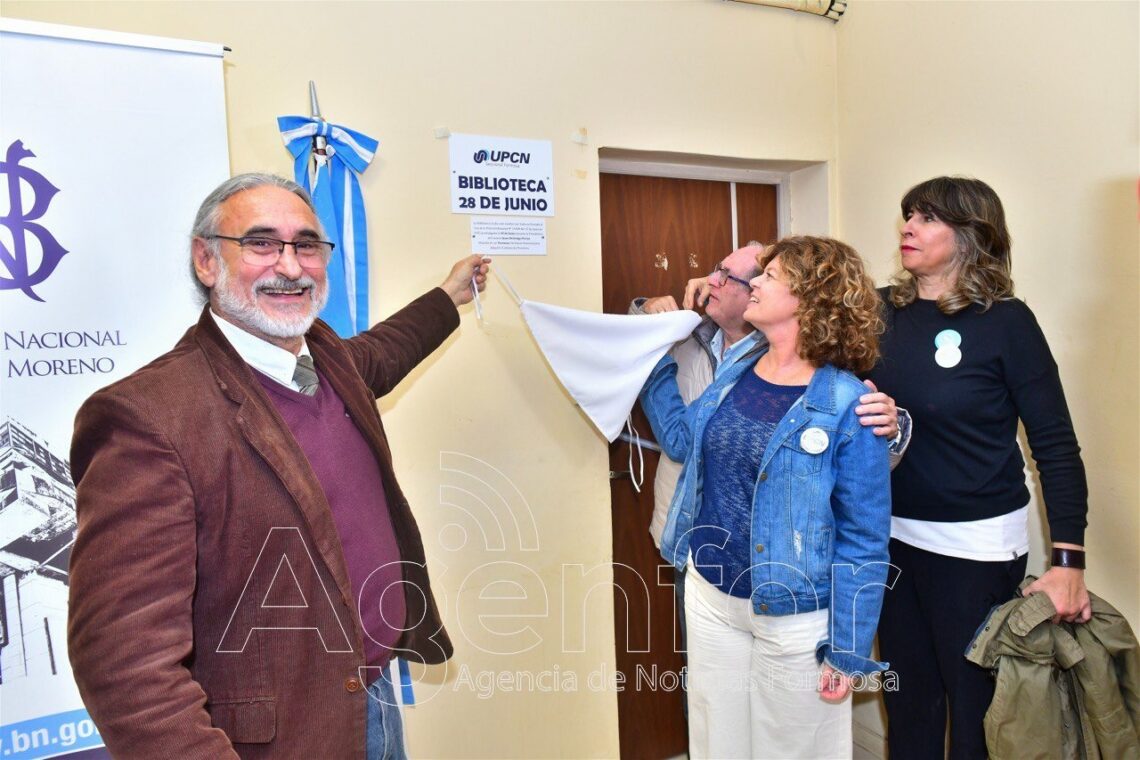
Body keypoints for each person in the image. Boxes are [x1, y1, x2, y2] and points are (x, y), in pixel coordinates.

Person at [67, 173, 488, 759]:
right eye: (261, 243)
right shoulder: (149, 417)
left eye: (306, 245)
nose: (290, 267)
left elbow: (384, 352)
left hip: (373, 693)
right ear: (206, 260)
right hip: (283, 738)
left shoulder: (327, 357)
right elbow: (125, 664)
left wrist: (448, 296)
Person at [640, 236, 893, 759]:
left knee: (792, 749)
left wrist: (848, 650)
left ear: (810, 298)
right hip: (710, 595)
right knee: (716, 742)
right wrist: (651, 341)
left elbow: (864, 537)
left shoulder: (849, 403)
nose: (754, 282)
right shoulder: (736, 370)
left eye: (770, 276)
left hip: (794, 612)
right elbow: (687, 440)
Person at [867, 176, 1091, 759]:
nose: (908, 227)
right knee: (908, 707)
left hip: (975, 549)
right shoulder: (879, 311)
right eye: (908, 215)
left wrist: (1068, 561)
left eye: (927, 218)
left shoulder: (1006, 323)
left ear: (970, 236)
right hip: (888, 539)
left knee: (976, 719)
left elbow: (1055, 445)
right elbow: (794, 328)